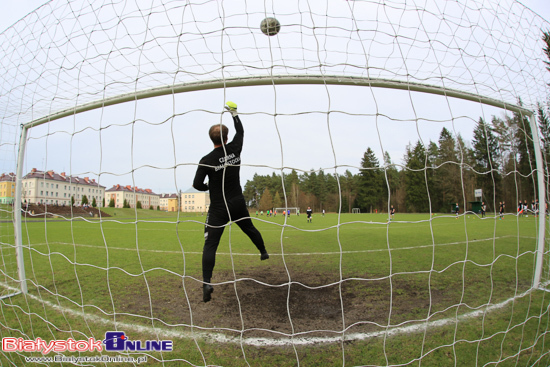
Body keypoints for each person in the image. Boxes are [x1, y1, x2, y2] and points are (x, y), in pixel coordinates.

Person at [193, 101, 269, 303]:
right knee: (250, 228)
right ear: (226, 138)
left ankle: (207, 282)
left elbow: (196, 184)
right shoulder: (235, 148)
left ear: (212, 139)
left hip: (219, 208)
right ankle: (263, 251)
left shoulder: (206, 159)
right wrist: (234, 114)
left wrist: (208, 187)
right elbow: (241, 132)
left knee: (210, 245)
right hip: (237, 204)